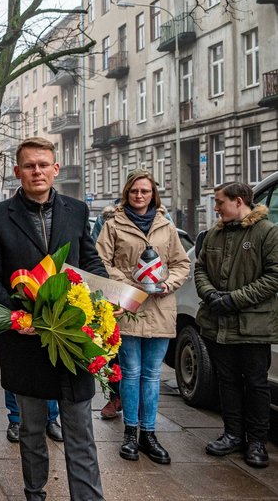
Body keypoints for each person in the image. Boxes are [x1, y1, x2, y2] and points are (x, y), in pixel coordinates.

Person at [0, 137, 108, 501]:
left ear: (55, 169)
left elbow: (90, 262)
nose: (37, 171)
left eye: (43, 164)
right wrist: (17, 313)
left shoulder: (77, 211)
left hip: (73, 341)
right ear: (18, 172)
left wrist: (103, 299)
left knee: (81, 430)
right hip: (25, 343)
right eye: (29, 165)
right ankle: (35, 494)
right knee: (32, 431)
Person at [95, 170, 190, 464]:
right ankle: (130, 434)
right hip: (128, 308)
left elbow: (181, 264)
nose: (139, 196)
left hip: (161, 308)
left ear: (153, 194)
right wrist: (131, 282)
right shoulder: (113, 223)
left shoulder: (166, 225)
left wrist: (166, 283)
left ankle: (149, 434)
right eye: (135, 191)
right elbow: (101, 260)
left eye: (145, 191)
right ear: (127, 192)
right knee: (132, 373)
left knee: (152, 375)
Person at [195, 181, 278, 469]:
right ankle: (232, 434)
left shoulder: (267, 232)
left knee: (256, 384)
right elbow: (201, 268)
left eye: (219, 202)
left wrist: (234, 299)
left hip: (253, 326)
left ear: (239, 201)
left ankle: (256, 442)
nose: (216, 207)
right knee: (227, 381)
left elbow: (274, 276)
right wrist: (209, 294)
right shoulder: (215, 233)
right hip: (219, 324)